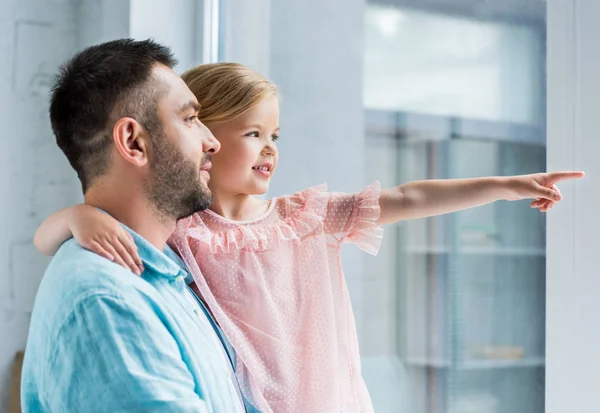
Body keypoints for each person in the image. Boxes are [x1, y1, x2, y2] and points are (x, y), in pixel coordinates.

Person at [34, 62, 585, 413]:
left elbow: (409, 197)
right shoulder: (181, 232)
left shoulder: (305, 218)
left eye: (275, 135)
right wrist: (77, 218)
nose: (271, 149)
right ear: (209, 138)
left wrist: (506, 185)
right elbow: (51, 237)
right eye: (252, 134)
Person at [21, 40, 257, 412]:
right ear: (133, 142)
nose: (211, 142)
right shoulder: (106, 303)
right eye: (190, 119)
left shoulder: (171, 273)